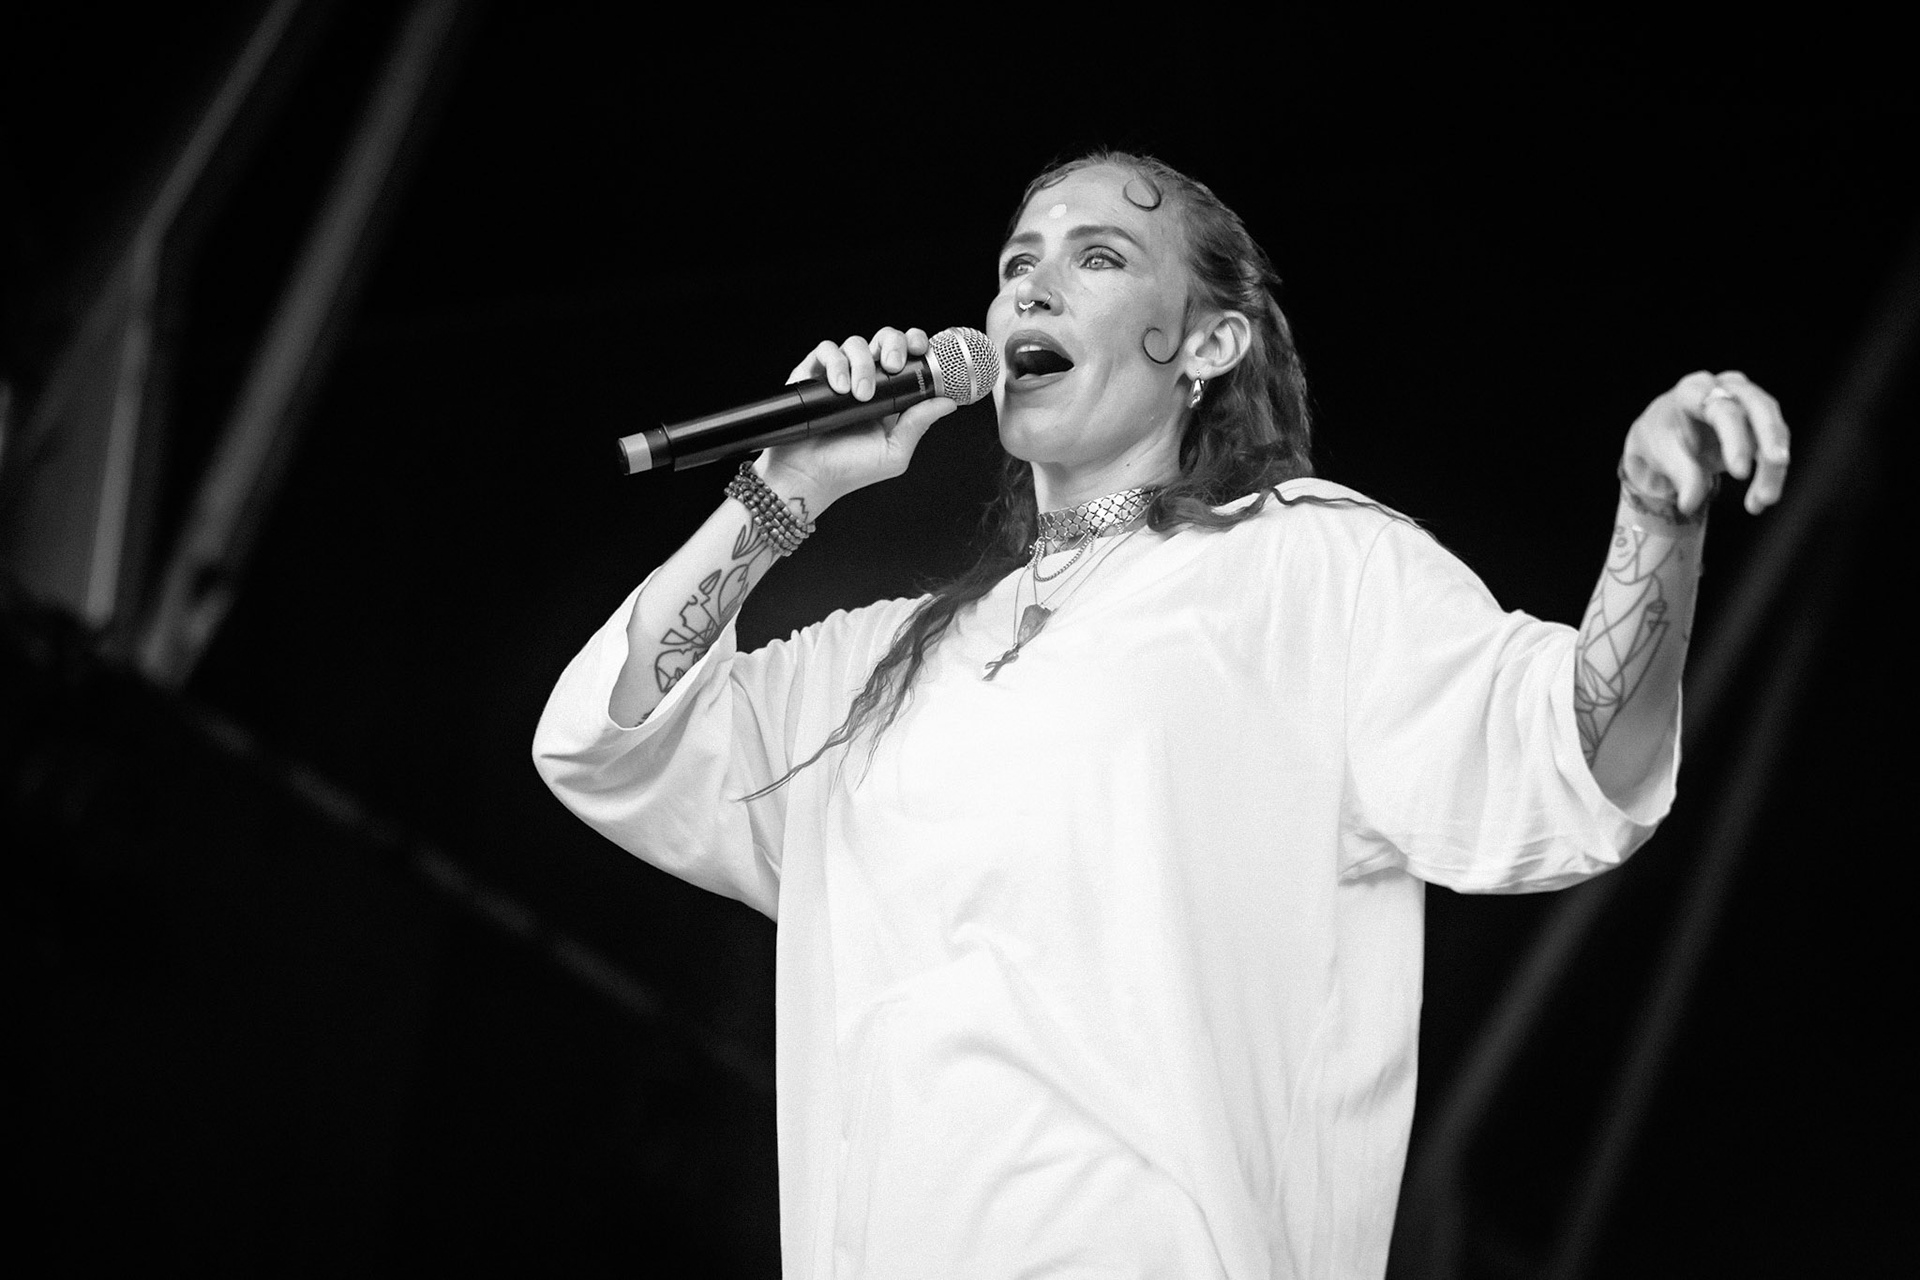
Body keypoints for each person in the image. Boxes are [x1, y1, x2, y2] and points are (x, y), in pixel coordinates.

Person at [532, 151, 1790, 1278]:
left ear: (1208, 344)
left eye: (1098, 257)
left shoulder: (1309, 566)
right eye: (1017, 263)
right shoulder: (885, 667)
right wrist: (785, 488)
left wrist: (1653, 527)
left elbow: (1582, 756)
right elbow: (611, 741)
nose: (1030, 288)